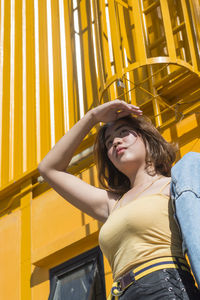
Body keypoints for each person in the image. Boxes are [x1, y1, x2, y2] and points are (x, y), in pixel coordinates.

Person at [38, 100, 200, 299]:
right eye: (109, 142)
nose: (115, 141)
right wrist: (93, 117)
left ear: (147, 139)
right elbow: (48, 169)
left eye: (123, 132)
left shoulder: (174, 184)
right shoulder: (113, 204)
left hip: (165, 287)